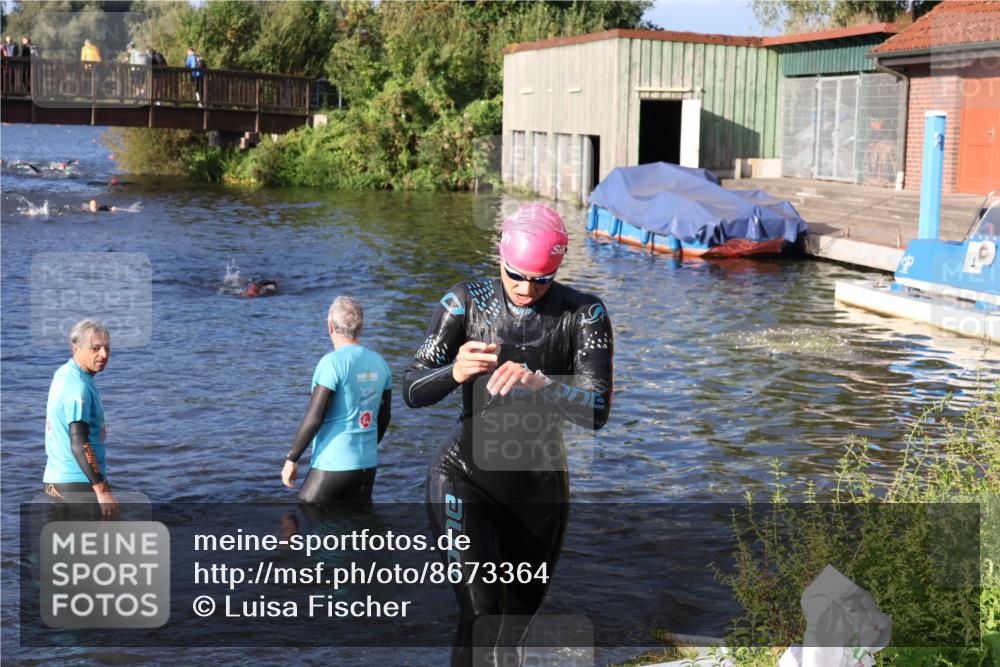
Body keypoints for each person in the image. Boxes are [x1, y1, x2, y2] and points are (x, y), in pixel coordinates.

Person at [403, 204, 614, 666]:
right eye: (515, 275)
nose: (525, 288)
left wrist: (542, 384)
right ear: (500, 256)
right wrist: (454, 371)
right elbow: (411, 391)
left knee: (515, 629)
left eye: (540, 279)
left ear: (557, 268)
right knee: (480, 614)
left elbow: (597, 412)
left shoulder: (585, 313)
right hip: (463, 477)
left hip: (538, 489)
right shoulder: (464, 301)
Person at [283, 296, 392, 503]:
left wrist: (292, 458)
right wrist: (366, 447)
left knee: (303, 517)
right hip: (367, 468)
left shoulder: (331, 364)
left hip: (332, 466)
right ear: (361, 327)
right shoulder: (380, 363)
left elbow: (314, 417)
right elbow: (385, 416)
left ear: (330, 326)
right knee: (357, 529)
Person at [43, 319, 119, 516]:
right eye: (95, 348)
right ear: (76, 349)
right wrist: (101, 490)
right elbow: (79, 442)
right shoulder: (78, 388)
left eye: (106, 348)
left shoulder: (65, 373)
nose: (103, 354)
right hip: (78, 483)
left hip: (57, 481)